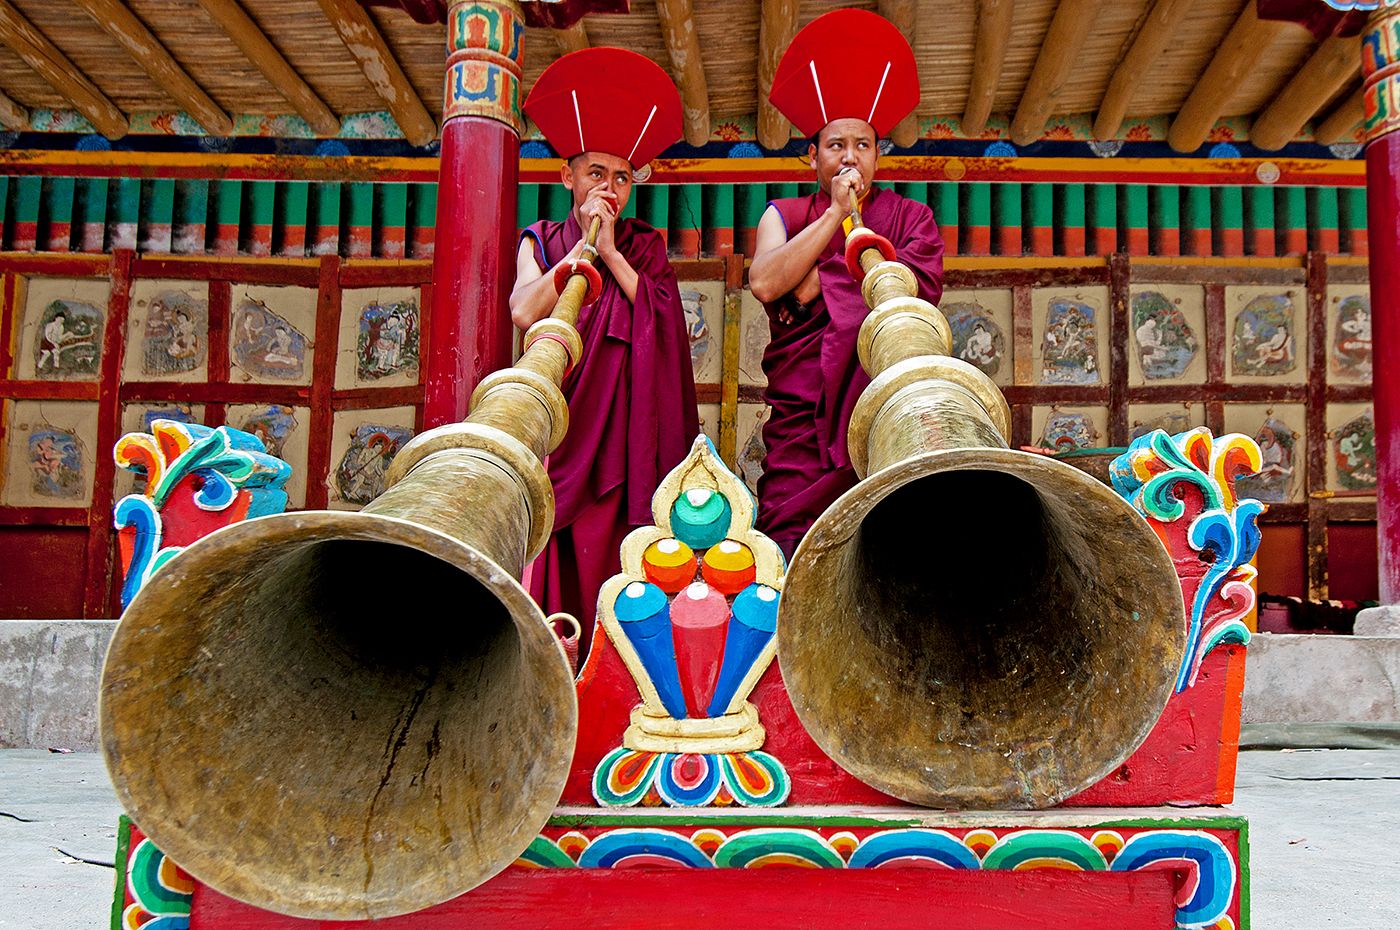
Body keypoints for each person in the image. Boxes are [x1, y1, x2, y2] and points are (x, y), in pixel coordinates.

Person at [512, 47, 698, 658]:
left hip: (622, 431)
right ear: (568, 177)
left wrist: (611, 249)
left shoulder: (644, 246)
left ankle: (618, 666)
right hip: (562, 421)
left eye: (622, 177)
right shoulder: (540, 240)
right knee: (554, 546)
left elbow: (663, 319)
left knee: (620, 538)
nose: (609, 189)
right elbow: (522, 310)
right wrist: (578, 255)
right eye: (596, 173)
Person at [748, 9, 944, 559]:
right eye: (836, 145)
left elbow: (915, 294)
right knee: (792, 543)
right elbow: (765, 282)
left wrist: (820, 279)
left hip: (880, 407)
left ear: (879, 154)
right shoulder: (783, 214)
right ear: (812, 155)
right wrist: (838, 215)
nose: (850, 156)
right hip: (801, 421)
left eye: (863, 144)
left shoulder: (912, 218)